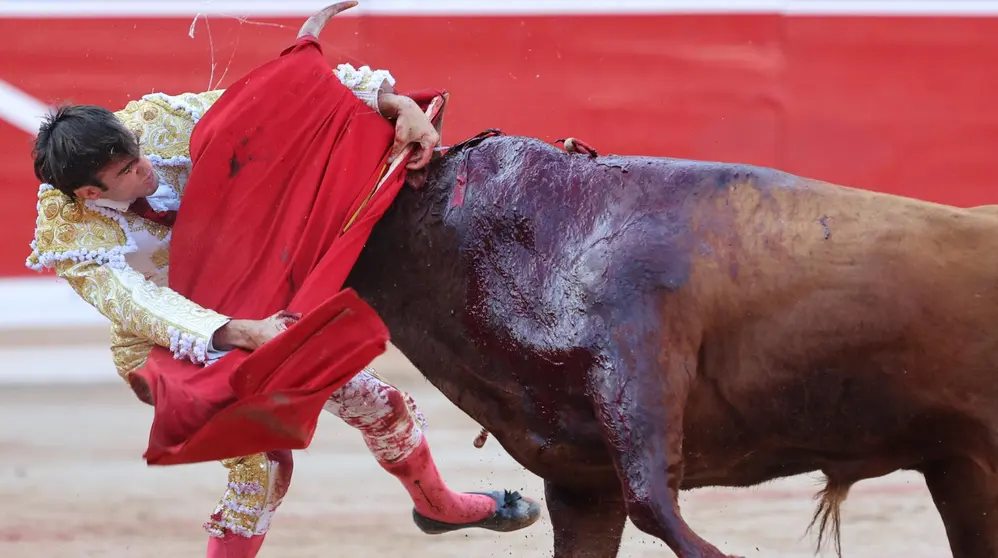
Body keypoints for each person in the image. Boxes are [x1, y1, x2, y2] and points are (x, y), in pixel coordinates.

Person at [25, 27, 540, 558]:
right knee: (262, 467)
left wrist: (393, 102)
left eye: (135, 154)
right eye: (129, 171)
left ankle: (439, 506)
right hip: (171, 347)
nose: (145, 165)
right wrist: (242, 331)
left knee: (384, 407)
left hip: (253, 299)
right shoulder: (70, 233)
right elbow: (140, 305)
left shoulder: (151, 124)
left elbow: (283, 104)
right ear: (90, 194)